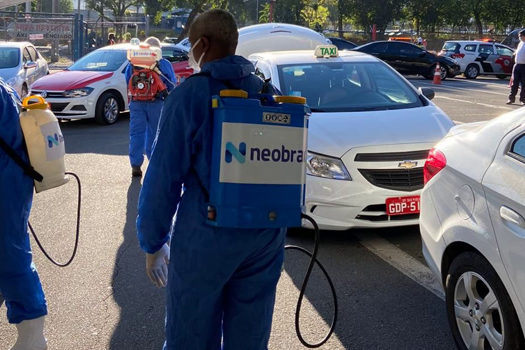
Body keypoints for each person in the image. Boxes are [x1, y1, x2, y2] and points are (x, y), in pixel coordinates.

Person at [136, 9, 282, 350]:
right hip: (264, 237)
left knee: (190, 335)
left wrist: (153, 243)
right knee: (250, 337)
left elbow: (162, 179)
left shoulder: (190, 96)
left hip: (206, 235)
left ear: (202, 44)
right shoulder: (264, 89)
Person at [0, 78, 47, 350]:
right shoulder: (5, 91)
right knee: (9, 251)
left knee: (10, 253)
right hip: (13, 182)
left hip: (6, 184)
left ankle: (33, 334)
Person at [125, 36, 176, 177]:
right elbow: (171, 83)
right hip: (157, 102)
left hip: (136, 102)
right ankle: (153, 163)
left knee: (136, 134)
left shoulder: (133, 64)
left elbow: (127, 79)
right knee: (154, 133)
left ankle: (135, 165)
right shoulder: (164, 63)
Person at [507, 29, 525, 105]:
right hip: (517, 65)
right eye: (519, 36)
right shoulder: (520, 43)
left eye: (521, 36)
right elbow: (517, 52)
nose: (519, 37)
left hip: (524, 66)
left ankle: (523, 99)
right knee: (514, 83)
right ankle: (511, 99)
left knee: (524, 84)